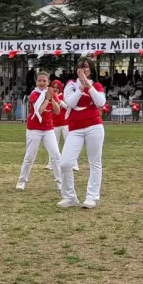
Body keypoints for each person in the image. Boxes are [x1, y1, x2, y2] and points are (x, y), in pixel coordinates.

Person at [58, 59, 107, 209]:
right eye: (80, 67)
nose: (82, 69)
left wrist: (88, 84)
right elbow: (71, 103)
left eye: (85, 67)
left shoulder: (97, 85)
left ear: (91, 70)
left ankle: (92, 197)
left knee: (95, 162)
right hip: (75, 128)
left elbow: (100, 102)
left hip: (94, 126)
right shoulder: (71, 85)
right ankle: (70, 197)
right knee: (66, 163)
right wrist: (81, 87)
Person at [16, 72, 63, 192]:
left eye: (44, 81)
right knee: (30, 156)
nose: (42, 83)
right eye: (39, 81)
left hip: (48, 129)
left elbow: (57, 111)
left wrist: (52, 98)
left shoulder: (51, 93)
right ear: (36, 82)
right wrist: (47, 98)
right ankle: (22, 180)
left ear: (48, 82)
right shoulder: (34, 94)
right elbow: (40, 111)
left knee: (56, 155)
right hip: (34, 129)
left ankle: (60, 182)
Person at [48, 79, 70, 168]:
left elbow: (68, 107)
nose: (56, 89)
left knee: (68, 143)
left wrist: (60, 102)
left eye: (57, 87)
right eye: (54, 87)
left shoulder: (64, 96)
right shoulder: (50, 96)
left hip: (65, 123)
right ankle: (51, 163)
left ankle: (73, 163)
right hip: (54, 124)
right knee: (53, 144)